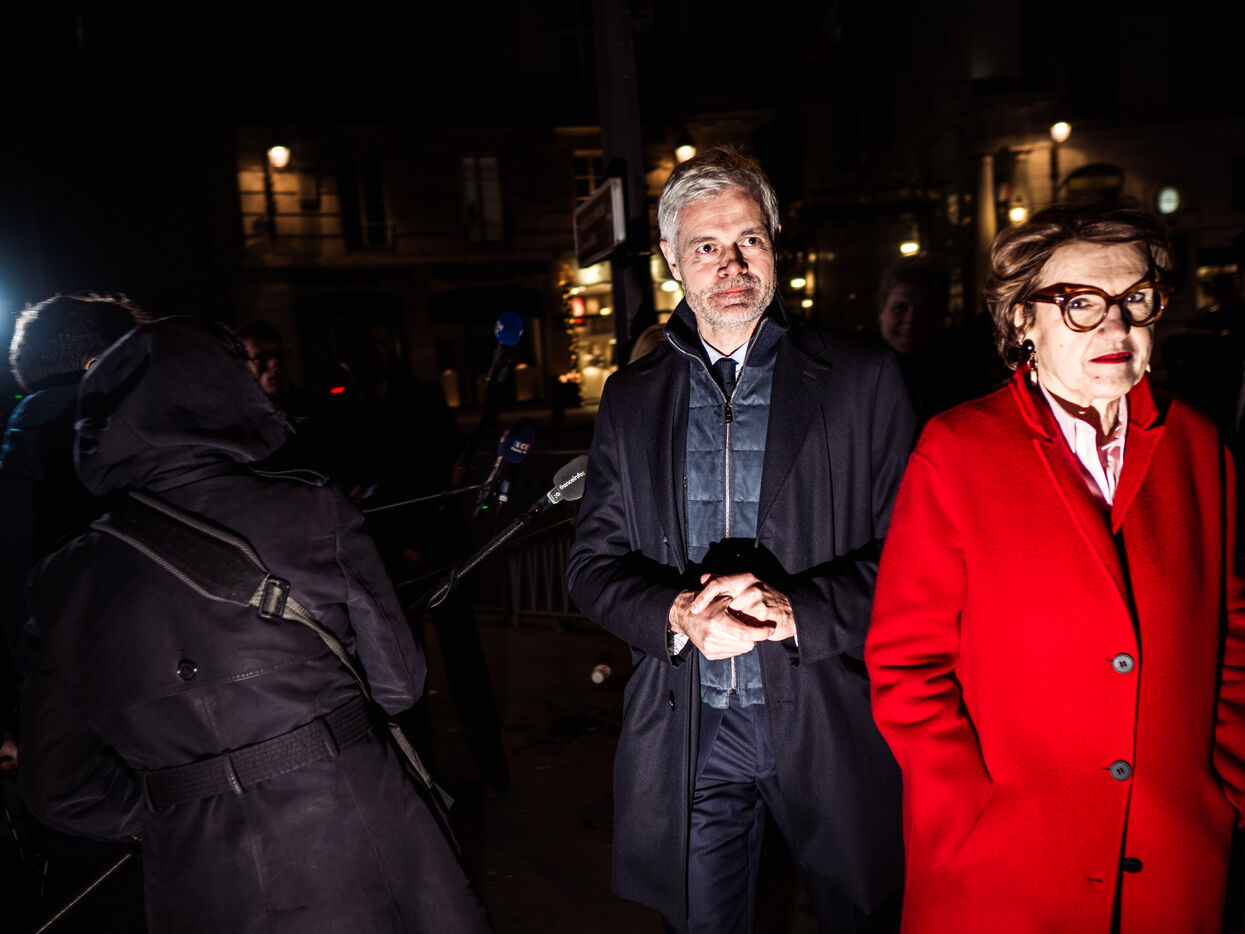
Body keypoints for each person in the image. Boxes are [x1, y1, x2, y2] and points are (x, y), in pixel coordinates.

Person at [19, 317, 491, 934]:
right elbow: (398, 685)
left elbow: (58, 787)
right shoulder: (311, 509)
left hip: (196, 872)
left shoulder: (58, 581)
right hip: (352, 831)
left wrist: (180, 798)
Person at [866, 203, 1245, 932]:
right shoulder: (957, 452)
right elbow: (906, 665)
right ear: (1022, 322)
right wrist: (968, 814)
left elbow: (1232, 629)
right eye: (1079, 303)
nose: (1115, 326)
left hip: (1172, 864)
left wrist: (1224, 785)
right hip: (1005, 868)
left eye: (1135, 298)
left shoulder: (1198, 446)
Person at [567, 146, 914, 933]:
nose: (730, 265)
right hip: (690, 726)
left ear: (775, 241)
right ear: (670, 258)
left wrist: (800, 612)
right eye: (705, 246)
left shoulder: (862, 378)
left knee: (862, 915)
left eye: (747, 239)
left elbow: (916, 558)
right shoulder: (630, 398)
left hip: (826, 712)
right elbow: (590, 566)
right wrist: (675, 614)